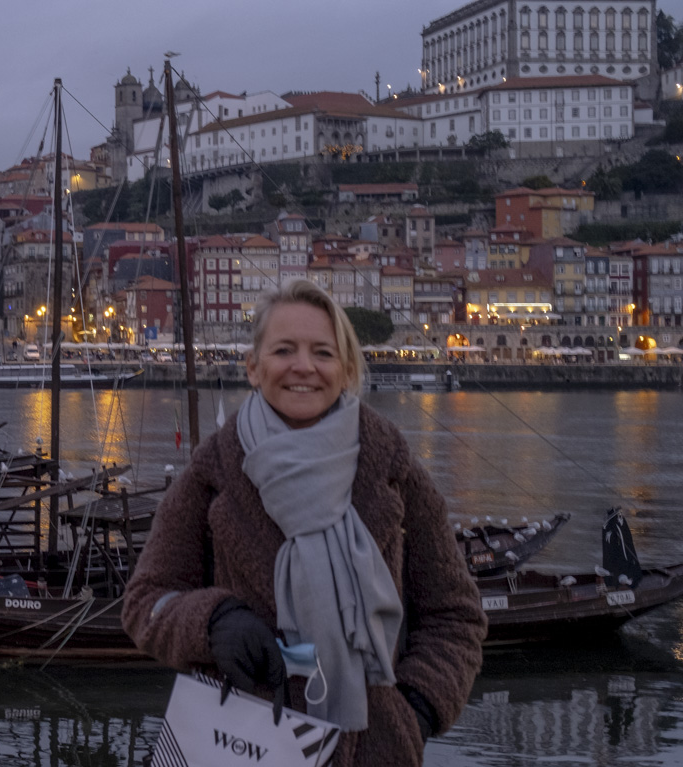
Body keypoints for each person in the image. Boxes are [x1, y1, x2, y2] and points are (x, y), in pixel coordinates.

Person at [122, 280, 485, 766]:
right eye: (284, 350)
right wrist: (214, 621)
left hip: (371, 750)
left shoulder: (394, 471)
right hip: (241, 744)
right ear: (253, 368)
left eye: (322, 353)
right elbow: (146, 602)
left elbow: (455, 614)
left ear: (347, 369)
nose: (303, 367)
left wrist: (415, 711)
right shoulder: (214, 471)